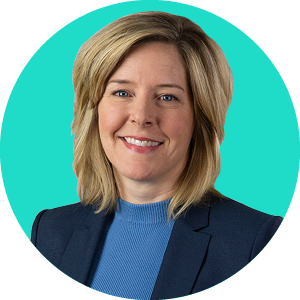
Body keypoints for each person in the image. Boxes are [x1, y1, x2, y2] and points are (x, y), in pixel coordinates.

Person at [31, 11, 283, 299]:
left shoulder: (256, 242)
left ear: (199, 117)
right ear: (94, 108)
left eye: (167, 97)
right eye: (122, 93)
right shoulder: (48, 232)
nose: (141, 117)